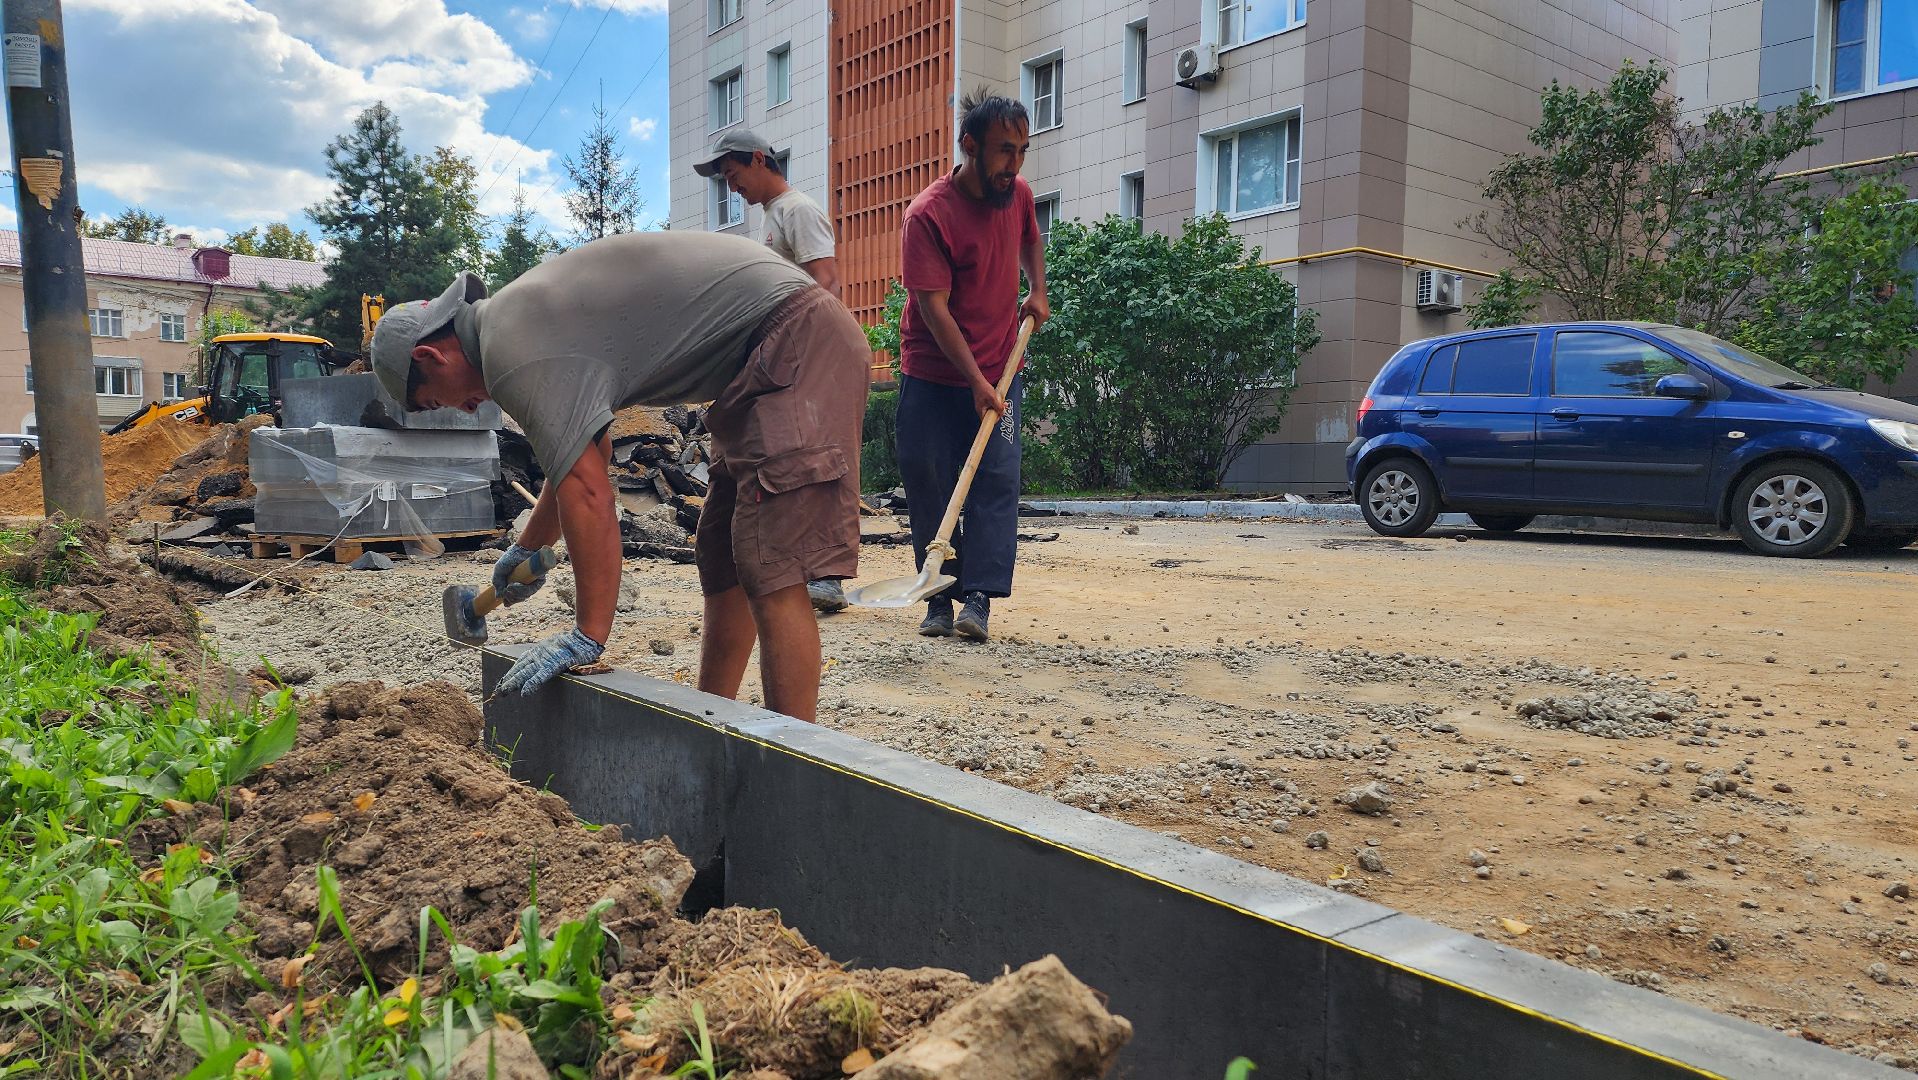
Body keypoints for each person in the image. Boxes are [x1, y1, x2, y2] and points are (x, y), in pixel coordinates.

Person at [370, 232, 870, 719]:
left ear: (430, 356)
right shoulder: (513, 325)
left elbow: (589, 493)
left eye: (439, 400)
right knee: (724, 555)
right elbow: (590, 452)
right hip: (761, 361)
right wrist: (527, 548)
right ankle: (708, 720)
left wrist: (588, 634)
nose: (463, 408)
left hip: (795, 341)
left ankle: (790, 775)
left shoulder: (511, 351)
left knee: (771, 565)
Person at [895, 91, 1048, 643]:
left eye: (1023, 151)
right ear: (969, 146)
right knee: (931, 480)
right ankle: (937, 597)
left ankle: (978, 598)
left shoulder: (1019, 194)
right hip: (935, 373)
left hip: (1002, 365)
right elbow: (933, 310)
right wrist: (976, 383)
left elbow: (1031, 238)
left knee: (995, 480)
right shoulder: (928, 215)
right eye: (1005, 151)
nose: (1015, 164)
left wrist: (1037, 290)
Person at [695, 129, 851, 614]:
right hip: (783, 354)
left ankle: (827, 577)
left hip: (805, 355)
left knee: (814, 458)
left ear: (760, 159)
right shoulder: (771, 218)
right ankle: (801, 569)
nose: (732, 186)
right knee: (783, 463)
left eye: (734, 173)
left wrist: (800, 359)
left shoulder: (797, 209)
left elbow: (826, 281)